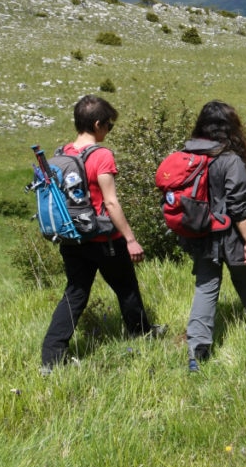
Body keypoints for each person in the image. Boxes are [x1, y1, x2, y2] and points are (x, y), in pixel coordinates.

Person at [41, 95, 162, 372]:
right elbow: (110, 202)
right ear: (97, 124)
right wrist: (131, 239)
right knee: (126, 287)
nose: (108, 130)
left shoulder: (61, 154)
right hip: (103, 238)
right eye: (109, 125)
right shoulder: (102, 156)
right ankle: (141, 335)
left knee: (75, 293)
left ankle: (51, 358)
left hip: (72, 238)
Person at [181, 100, 246, 371]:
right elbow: (238, 206)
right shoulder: (230, 160)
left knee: (205, 288)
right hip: (230, 235)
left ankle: (197, 351)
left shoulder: (189, 155)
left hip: (201, 233)